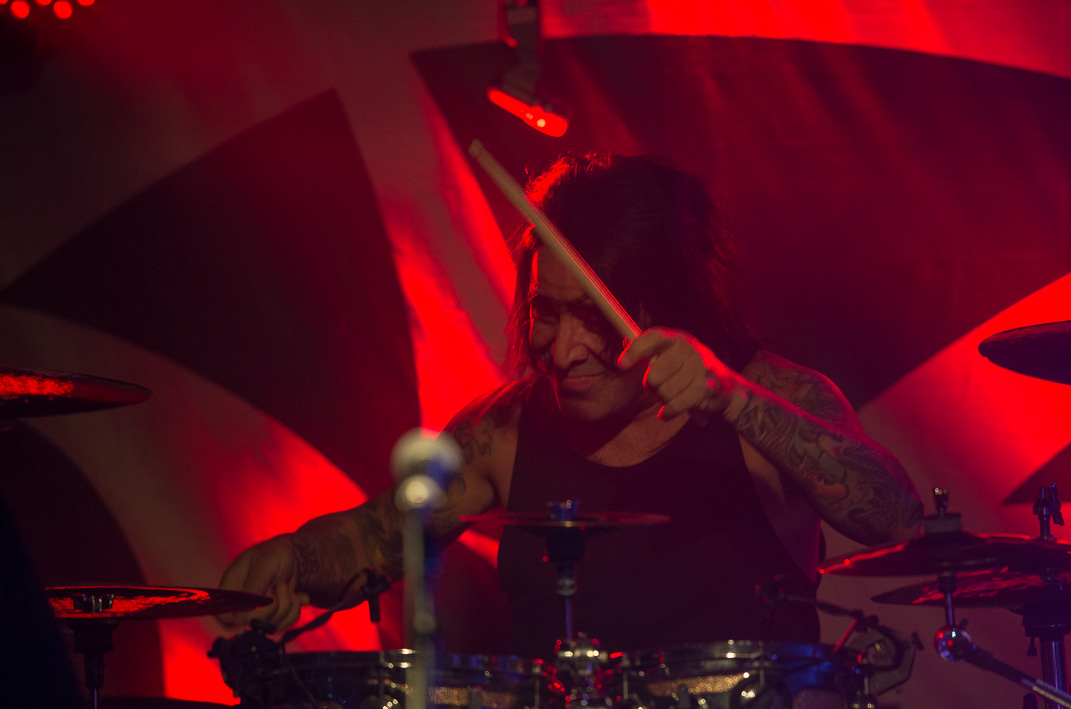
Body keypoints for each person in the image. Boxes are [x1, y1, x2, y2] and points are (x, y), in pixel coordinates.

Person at [217, 154, 923, 657]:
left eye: (592, 316)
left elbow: (895, 517)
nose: (561, 350)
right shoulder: (504, 429)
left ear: (668, 309)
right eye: (545, 313)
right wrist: (295, 558)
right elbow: (377, 537)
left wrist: (733, 402)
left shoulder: (771, 398)